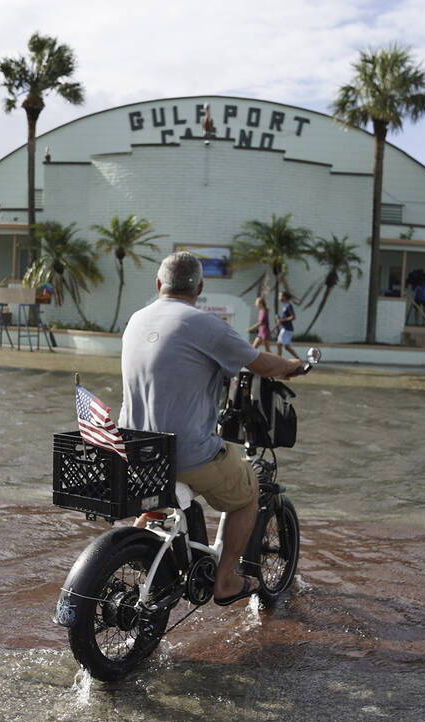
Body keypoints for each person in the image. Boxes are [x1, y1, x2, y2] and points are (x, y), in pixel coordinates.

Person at [120, 252, 304, 606]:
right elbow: (261, 363)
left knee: (159, 495)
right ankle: (226, 580)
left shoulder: (136, 319)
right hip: (185, 451)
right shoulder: (204, 325)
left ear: (159, 285)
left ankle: (137, 542)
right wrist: (293, 366)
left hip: (134, 447)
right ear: (200, 288)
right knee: (247, 492)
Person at [275, 290, 299, 359]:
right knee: (286, 347)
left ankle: (278, 360)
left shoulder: (288, 305)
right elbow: (285, 318)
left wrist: (282, 320)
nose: (279, 297)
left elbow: (293, 317)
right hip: (285, 329)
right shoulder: (285, 305)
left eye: (280, 296)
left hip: (287, 329)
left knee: (279, 344)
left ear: (284, 297)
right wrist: (280, 319)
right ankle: (298, 359)